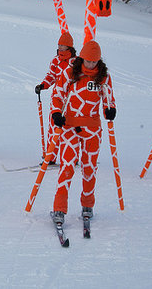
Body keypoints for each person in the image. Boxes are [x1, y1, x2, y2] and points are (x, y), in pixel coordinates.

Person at [49, 40, 115, 224]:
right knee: (67, 166)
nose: (91, 65)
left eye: (94, 62)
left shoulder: (103, 77)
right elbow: (58, 94)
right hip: (70, 127)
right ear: (82, 58)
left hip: (92, 128)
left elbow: (109, 97)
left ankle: (88, 205)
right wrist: (56, 113)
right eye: (88, 61)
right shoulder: (70, 73)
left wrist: (110, 109)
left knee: (89, 168)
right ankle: (59, 208)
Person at [35, 32, 76, 165]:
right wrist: (43, 85)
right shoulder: (55, 60)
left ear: (69, 47)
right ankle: (50, 157)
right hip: (57, 98)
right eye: (59, 45)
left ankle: (71, 158)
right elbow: (51, 76)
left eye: (63, 46)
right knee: (53, 127)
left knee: (70, 128)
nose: (60, 48)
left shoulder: (76, 62)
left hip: (71, 99)